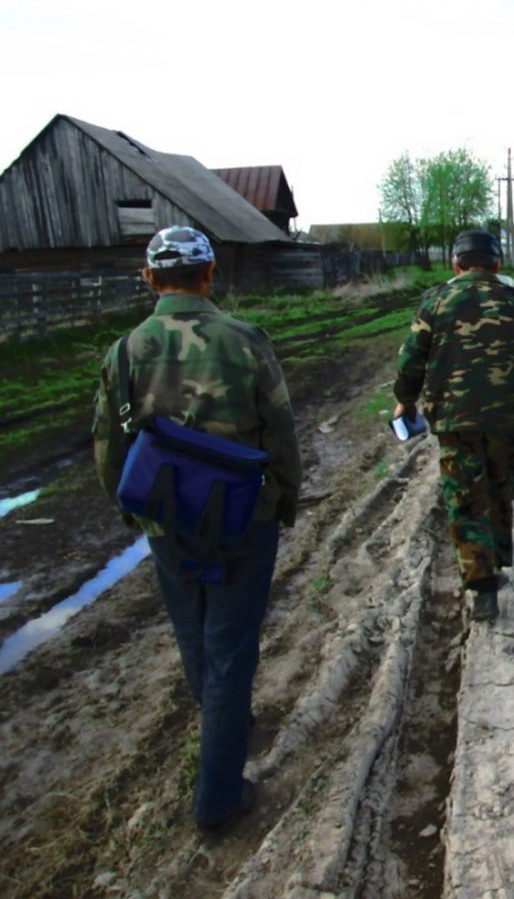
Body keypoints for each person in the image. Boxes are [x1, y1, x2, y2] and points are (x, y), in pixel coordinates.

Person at [92, 226, 302, 832]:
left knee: (196, 635)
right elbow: (280, 431)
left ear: (150, 279)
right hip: (244, 519)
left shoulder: (125, 350)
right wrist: (283, 500)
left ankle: (222, 721)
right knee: (231, 647)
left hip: (168, 521)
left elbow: (110, 447)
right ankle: (218, 798)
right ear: (211, 275)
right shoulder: (246, 341)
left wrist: (135, 512)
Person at [393, 229, 514, 622]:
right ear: (497, 264)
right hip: (505, 419)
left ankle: (482, 588)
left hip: (454, 420)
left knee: (464, 499)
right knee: (499, 488)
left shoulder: (435, 302)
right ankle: (496, 562)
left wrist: (405, 399)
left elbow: (410, 360)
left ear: (455, 264)